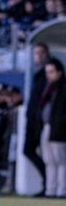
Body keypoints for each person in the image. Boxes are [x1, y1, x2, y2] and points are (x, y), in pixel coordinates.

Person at [23, 42, 51, 192]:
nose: (38, 56)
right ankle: (47, 182)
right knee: (28, 150)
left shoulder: (46, 76)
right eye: (36, 53)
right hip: (32, 118)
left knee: (42, 153)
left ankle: (48, 183)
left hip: (39, 120)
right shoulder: (37, 74)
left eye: (41, 53)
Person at [40, 58, 66, 198]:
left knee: (60, 160)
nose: (48, 75)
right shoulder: (48, 89)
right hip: (47, 126)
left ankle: (61, 190)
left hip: (59, 129)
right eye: (47, 72)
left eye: (51, 72)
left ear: (59, 72)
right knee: (48, 160)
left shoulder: (62, 89)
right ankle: (50, 189)